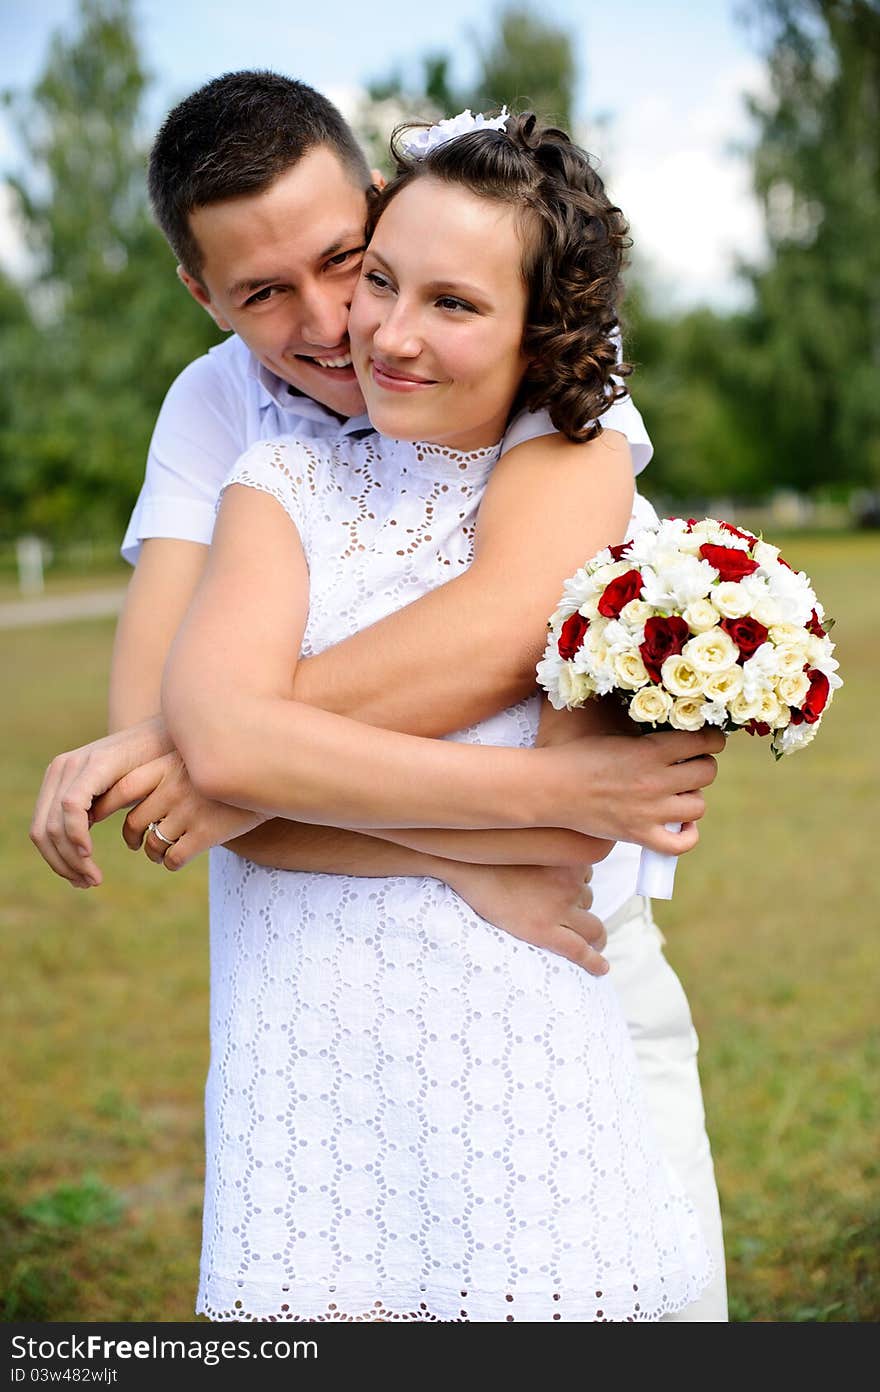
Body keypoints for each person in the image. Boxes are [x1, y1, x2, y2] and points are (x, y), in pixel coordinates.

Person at [30, 74, 727, 1319]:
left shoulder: (537, 342)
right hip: (323, 996)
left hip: (566, 962)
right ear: (201, 293)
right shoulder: (230, 429)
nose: (335, 319)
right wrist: (481, 838)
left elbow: (499, 635)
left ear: (382, 203)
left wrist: (230, 746)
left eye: (346, 258)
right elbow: (174, 764)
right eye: (260, 293)